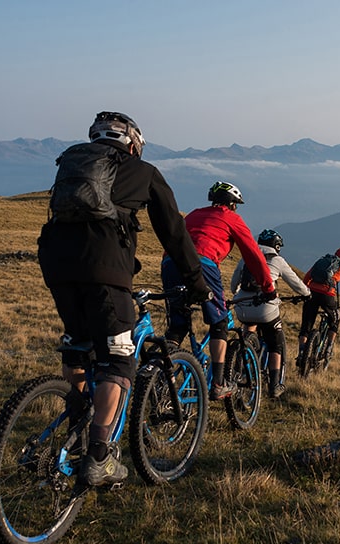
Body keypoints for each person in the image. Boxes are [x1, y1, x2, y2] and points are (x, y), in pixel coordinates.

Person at [37, 111, 210, 488]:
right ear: (133, 144)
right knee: (118, 361)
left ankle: (79, 420)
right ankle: (100, 458)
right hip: (104, 274)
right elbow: (175, 234)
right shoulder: (142, 171)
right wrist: (196, 283)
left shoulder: (74, 164)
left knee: (80, 346)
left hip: (55, 267)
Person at [161, 181, 276, 401]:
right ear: (233, 205)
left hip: (170, 263)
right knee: (219, 323)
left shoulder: (194, 214)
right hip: (203, 264)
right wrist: (268, 287)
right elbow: (253, 254)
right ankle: (218, 384)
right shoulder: (231, 218)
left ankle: (160, 374)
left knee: (178, 325)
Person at [230, 229, 310, 398]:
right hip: (265, 308)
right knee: (276, 343)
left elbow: (233, 284)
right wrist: (307, 294)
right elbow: (296, 282)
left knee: (248, 329)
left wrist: (240, 294)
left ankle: (240, 362)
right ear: (277, 246)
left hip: (242, 307)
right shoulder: (277, 260)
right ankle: (274, 385)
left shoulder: (246, 257)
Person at [297, 247, 340, 365]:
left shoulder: (322, 262)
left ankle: (302, 352)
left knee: (306, 326)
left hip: (311, 293)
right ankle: (328, 348)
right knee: (335, 319)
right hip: (327, 296)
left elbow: (307, 277)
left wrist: (305, 291)